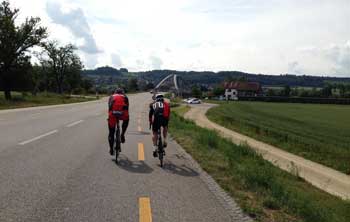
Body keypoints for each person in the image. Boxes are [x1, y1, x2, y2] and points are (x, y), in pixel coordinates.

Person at [108, 88, 129, 155]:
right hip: (123, 114)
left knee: (111, 132)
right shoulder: (125, 97)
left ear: (115, 92)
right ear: (122, 92)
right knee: (127, 119)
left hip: (112, 114)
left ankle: (111, 149)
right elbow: (127, 108)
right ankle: (122, 134)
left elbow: (109, 107)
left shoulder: (111, 96)